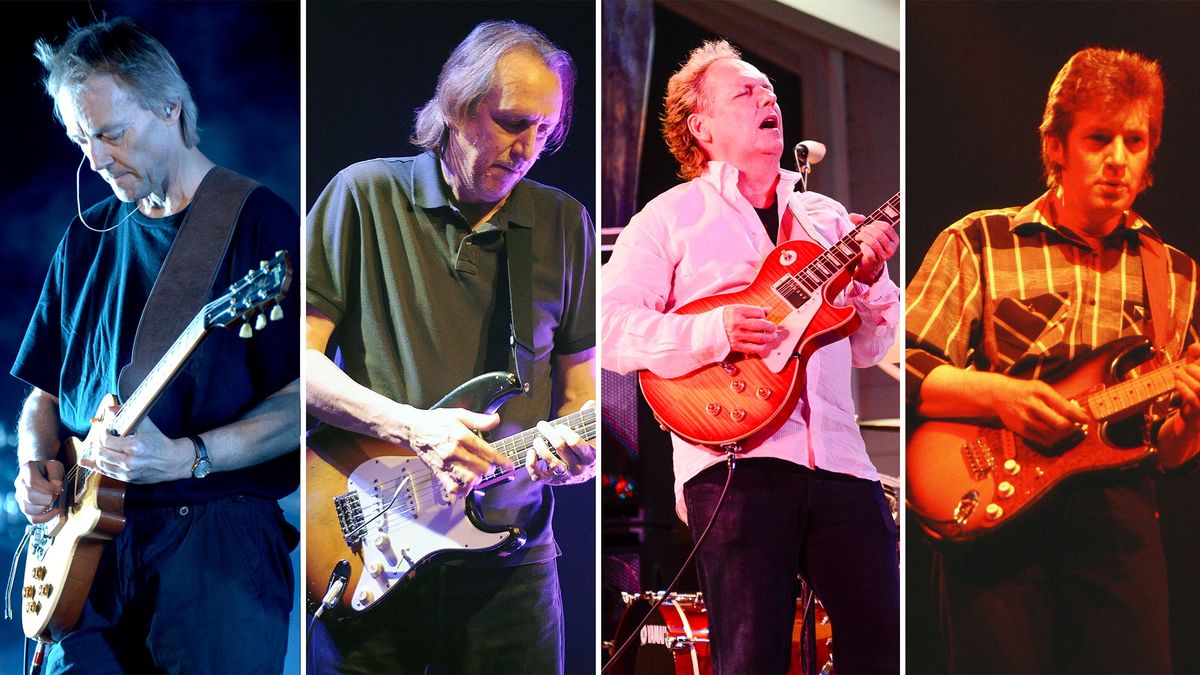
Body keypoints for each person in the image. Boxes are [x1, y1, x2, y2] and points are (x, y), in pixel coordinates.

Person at [10, 17, 300, 674]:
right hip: (84, 557)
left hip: (212, 544)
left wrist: (192, 456)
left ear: (169, 107)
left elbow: (299, 400)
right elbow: (43, 395)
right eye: (79, 139)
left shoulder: (258, 223)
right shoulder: (86, 236)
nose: (95, 159)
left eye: (110, 133)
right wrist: (35, 464)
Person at [305, 20, 596, 674]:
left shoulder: (563, 223)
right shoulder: (362, 194)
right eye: (513, 122)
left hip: (509, 561)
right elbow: (299, 362)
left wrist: (579, 451)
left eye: (545, 131)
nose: (528, 148)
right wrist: (414, 428)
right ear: (456, 109)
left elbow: (585, 397)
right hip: (368, 541)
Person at [601, 40, 900, 674]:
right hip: (735, 462)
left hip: (843, 463)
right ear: (700, 126)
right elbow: (610, 328)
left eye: (769, 90)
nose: (768, 98)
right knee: (749, 658)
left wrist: (871, 278)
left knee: (882, 644)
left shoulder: (824, 218)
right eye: (746, 92)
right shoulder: (670, 217)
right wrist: (715, 332)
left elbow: (876, 344)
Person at [906, 46, 1200, 673]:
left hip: (1118, 524)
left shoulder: (1173, 275)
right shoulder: (977, 240)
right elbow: (906, 366)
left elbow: (1164, 448)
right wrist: (1000, 396)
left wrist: (1194, 423)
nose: (1118, 159)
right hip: (994, 513)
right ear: (1057, 145)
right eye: (1098, 138)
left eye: (1135, 140)